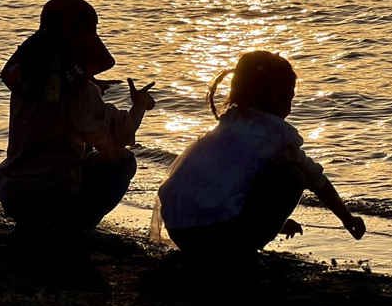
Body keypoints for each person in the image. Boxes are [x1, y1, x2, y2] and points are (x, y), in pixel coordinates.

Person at [153, 50, 365, 257]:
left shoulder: (230, 123)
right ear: (275, 97)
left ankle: (239, 237)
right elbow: (315, 179)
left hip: (180, 228)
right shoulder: (275, 134)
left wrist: (275, 222)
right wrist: (347, 218)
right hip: (211, 233)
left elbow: (226, 186)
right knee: (293, 176)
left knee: (264, 172)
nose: (290, 107)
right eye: (289, 97)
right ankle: (242, 251)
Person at [0, 0, 155, 235]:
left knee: (83, 149)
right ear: (77, 32)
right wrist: (139, 104)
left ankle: (31, 225)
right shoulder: (78, 91)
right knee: (123, 161)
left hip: (13, 191)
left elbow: (54, 106)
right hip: (49, 194)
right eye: (89, 29)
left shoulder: (27, 77)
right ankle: (76, 228)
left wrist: (90, 85)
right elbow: (121, 134)